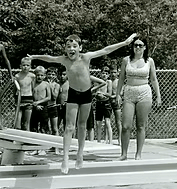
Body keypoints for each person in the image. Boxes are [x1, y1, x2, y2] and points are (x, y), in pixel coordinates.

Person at [28, 33, 137, 174]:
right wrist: (34, 57)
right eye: (68, 46)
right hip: (73, 94)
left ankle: (80, 153)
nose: (71, 49)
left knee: (82, 125)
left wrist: (124, 43)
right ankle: (65, 157)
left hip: (86, 94)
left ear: (80, 47)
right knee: (69, 127)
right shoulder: (64, 60)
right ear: (65, 49)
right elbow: (49, 58)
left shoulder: (86, 57)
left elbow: (106, 50)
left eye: (74, 46)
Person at [116, 36, 162, 160]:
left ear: (145, 48)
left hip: (144, 93)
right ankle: (124, 153)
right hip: (129, 92)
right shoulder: (126, 60)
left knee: (141, 125)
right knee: (126, 126)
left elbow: (153, 79)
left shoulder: (149, 61)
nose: (137, 47)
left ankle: (138, 153)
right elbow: (121, 78)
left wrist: (158, 95)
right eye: (135, 45)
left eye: (140, 45)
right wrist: (118, 94)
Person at [30, 66, 51, 156]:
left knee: (43, 128)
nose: (39, 77)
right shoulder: (32, 84)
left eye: (41, 75)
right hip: (35, 107)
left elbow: (49, 97)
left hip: (43, 107)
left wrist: (39, 102)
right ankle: (35, 147)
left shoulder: (46, 84)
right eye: (38, 75)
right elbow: (30, 95)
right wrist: (35, 104)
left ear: (44, 76)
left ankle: (43, 148)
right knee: (34, 128)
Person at [14, 57, 35, 131]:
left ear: (30, 66)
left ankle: (26, 139)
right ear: (20, 66)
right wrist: (15, 98)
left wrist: (34, 99)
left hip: (29, 99)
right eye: (24, 65)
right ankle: (17, 139)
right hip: (20, 99)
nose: (25, 67)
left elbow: (33, 88)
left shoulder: (32, 76)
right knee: (18, 123)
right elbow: (15, 89)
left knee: (26, 123)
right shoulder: (17, 76)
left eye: (27, 65)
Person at [95, 67, 113, 144]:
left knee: (107, 122)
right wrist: (97, 94)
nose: (104, 75)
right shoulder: (97, 82)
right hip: (99, 103)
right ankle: (98, 141)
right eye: (103, 73)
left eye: (106, 73)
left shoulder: (109, 82)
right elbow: (94, 92)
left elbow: (110, 94)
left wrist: (102, 94)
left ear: (108, 75)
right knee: (98, 123)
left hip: (106, 103)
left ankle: (110, 141)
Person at [87, 75, 107, 141]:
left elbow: (103, 82)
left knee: (90, 125)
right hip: (78, 103)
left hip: (87, 103)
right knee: (80, 125)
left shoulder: (89, 76)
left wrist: (92, 89)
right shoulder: (76, 77)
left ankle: (91, 143)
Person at [46, 67, 61, 154]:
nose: (51, 76)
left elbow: (54, 96)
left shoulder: (57, 85)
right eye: (49, 74)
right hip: (45, 107)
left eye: (53, 74)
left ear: (55, 76)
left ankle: (57, 147)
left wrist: (50, 87)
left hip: (53, 107)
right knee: (46, 128)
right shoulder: (44, 83)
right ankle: (47, 146)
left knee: (55, 128)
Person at [110, 67, 123, 145]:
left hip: (116, 101)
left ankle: (120, 138)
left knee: (118, 121)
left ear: (118, 73)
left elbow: (121, 92)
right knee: (107, 120)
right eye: (111, 72)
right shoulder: (108, 81)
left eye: (114, 72)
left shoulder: (118, 82)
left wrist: (113, 96)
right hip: (108, 102)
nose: (113, 74)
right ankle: (108, 138)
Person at [57, 67, 69, 134]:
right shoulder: (57, 84)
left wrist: (67, 101)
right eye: (60, 74)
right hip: (58, 106)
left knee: (66, 124)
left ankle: (67, 138)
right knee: (56, 123)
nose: (62, 76)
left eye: (64, 74)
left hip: (66, 107)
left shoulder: (69, 84)